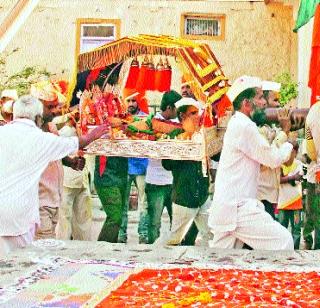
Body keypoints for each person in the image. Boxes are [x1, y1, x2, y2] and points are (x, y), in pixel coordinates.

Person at [0, 95, 108, 256]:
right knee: (25, 263)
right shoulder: (38, 138)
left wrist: (70, 162)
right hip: (19, 215)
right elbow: (75, 143)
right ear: (38, 118)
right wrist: (96, 133)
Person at [208, 76, 294, 250]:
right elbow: (273, 159)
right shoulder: (245, 126)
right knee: (284, 242)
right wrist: (288, 140)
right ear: (246, 104)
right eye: (260, 97)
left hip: (230, 207)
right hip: (237, 209)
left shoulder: (239, 123)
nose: (264, 103)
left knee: (221, 264)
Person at [30, 82, 85, 240]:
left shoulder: (51, 127)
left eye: (55, 106)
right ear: (37, 107)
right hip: (38, 201)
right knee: (43, 247)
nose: (55, 110)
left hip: (53, 198)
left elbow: (55, 153)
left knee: (48, 243)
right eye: (50, 107)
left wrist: (71, 162)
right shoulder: (31, 133)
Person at [162, 97, 213, 246]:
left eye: (198, 113)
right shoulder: (174, 136)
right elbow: (167, 164)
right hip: (184, 197)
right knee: (175, 239)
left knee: (211, 235)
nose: (198, 116)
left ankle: (208, 267)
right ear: (183, 117)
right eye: (193, 113)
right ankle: (158, 258)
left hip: (202, 195)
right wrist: (183, 147)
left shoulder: (203, 135)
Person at [145, 90, 181, 244]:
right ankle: (154, 253)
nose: (179, 113)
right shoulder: (151, 124)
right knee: (154, 223)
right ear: (169, 108)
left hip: (172, 182)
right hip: (156, 181)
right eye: (177, 109)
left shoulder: (177, 125)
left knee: (177, 222)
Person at [118, 91, 149, 243]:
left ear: (138, 102)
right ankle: (121, 235)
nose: (130, 104)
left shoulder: (145, 118)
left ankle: (143, 235)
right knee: (123, 203)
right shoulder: (120, 118)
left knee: (144, 202)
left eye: (133, 101)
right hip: (125, 165)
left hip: (142, 164)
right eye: (128, 101)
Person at [56, 124, 92, 241]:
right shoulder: (64, 130)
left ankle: (84, 249)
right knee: (64, 218)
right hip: (67, 179)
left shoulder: (85, 128)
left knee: (83, 219)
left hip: (82, 179)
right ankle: (62, 248)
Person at [257, 81, 283, 219]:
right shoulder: (260, 130)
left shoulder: (271, 128)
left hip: (270, 196)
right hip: (261, 196)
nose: (279, 104)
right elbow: (263, 163)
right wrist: (282, 135)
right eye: (275, 100)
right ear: (265, 103)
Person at [94, 156, 128, 243]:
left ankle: (110, 247)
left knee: (119, 217)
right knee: (115, 217)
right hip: (106, 177)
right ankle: (102, 248)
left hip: (122, 175)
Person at [277, 141, 303, 249]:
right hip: (283, 203)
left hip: (296, 203)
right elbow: (278, 180)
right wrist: (292, 177)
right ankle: (282, 249)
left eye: (291, 151)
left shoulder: (299, 164)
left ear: (295, 152)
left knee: (296, 229)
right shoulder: (280, 164)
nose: (288, 153)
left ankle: (295, 251)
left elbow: (296, 181)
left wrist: (286, 178)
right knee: (281, 228)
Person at [303, 101, 320, 249]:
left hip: (315, 174)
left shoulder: (313, 111)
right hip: (316, 175)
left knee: (313, 219)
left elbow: (310, 152)